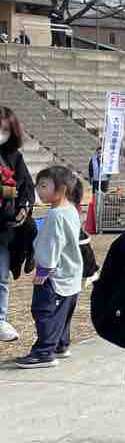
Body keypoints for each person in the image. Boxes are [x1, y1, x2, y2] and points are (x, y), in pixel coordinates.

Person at [14, 167, 83, 368]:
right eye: (38, 185)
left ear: (61, 190)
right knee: (63, 312)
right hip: (71, 273)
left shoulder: (56, 215)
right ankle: (60, 345)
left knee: (44, 311)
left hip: (54, 275)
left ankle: (44, 352)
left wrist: (43, 271)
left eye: (44, 186)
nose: (39, 190)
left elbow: (52, 245)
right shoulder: (71, 209)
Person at [0, 107, 35, 343]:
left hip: (4, 228)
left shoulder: (14, 157)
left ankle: (0, 319)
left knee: (1, 276)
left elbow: (26, 187)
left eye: (5, 130)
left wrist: (24, 208)